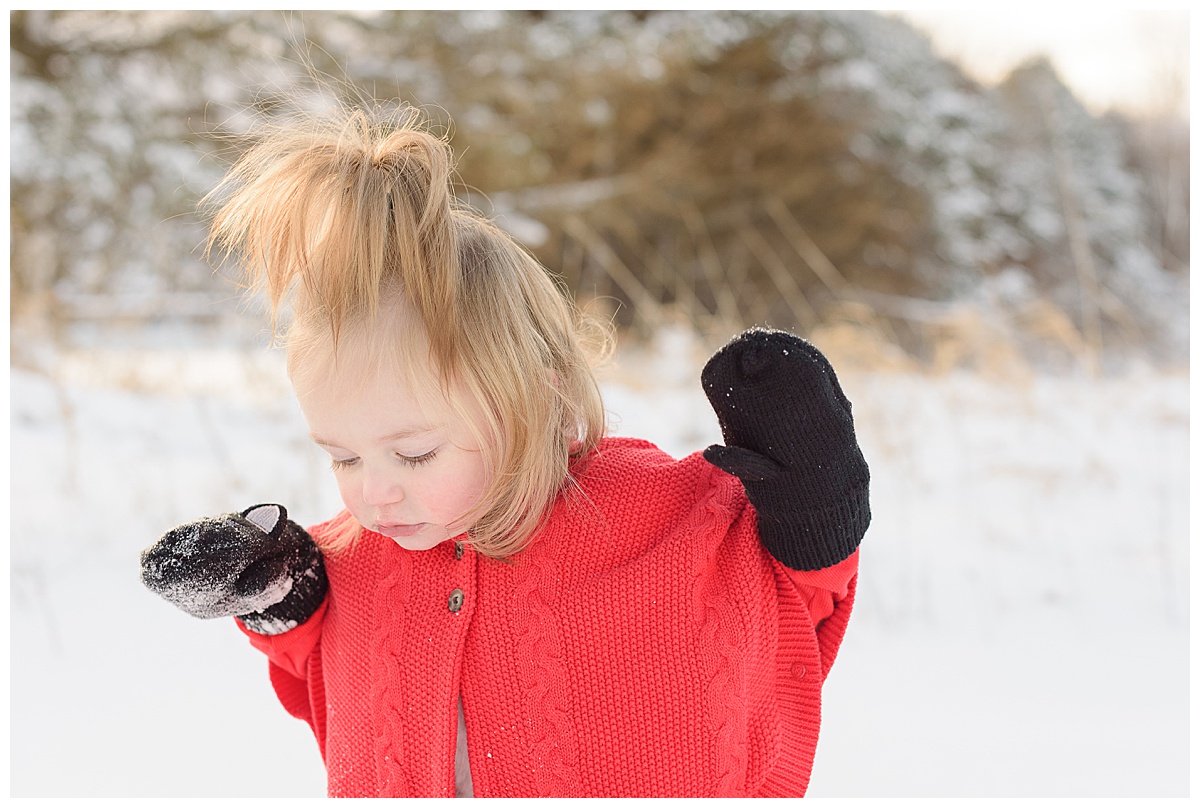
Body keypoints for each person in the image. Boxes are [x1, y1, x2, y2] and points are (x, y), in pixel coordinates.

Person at [140, 103, 871, 798]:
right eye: (344, 457)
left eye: (415, 454)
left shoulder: (660, 515)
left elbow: (795, 588)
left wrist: (813, 499)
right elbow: (322, 660)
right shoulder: (355, 558)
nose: (372, 493)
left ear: (534, 401)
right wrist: (280, 592)